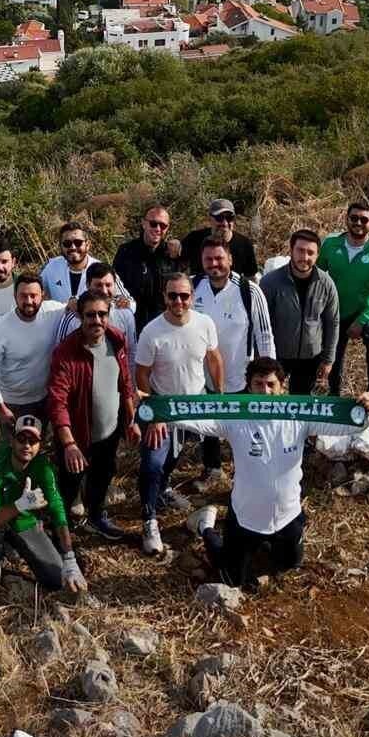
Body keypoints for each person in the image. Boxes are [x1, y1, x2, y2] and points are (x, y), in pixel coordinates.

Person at [178, 356, 369, 587]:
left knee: (288, 565)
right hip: (245, 519)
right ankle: (205, 526)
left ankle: (269, 544)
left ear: (282, 387)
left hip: (286, 517)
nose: (265, 391)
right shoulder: (235, 418)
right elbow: (193, 416)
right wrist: (155, 409)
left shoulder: (299, 417)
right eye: (258, 384)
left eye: (271, 384)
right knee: (231, 579)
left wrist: (367, 411)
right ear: (248, 387)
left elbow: (346, 424)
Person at [135, 276, 224, 556]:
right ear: (165, 297)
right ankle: (149, 519)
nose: (178, 302)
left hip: (192, 406)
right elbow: (142, 375)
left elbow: (214, 358)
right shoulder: (152, 332)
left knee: (174, 455)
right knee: (152, 463)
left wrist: (218, 396)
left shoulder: (204, 324)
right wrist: (154, 414)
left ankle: (163, 490)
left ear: (192, 297)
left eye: (184, 296)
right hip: (162, 406)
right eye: (173, 296)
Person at [48, 289, 140, 540]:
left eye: (102, 314)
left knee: (102, 476)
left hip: (109, 432)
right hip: (77, 436)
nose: (97, 320)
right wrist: (68, 444)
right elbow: (58, 402)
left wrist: (131, 421)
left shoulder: (117, 340)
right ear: (80, 316)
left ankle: (96, 517)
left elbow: (125, 382)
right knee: (69, 483)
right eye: (90, 315)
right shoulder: (66, 353)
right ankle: (62, 529)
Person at [193, 237, 275, 482]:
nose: (214, 264)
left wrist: (270, 377)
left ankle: (245, 473)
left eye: (219, 258)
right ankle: (212, 469)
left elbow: (264, 334)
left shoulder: (249, 291)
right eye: (208, 259)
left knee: (243, 429)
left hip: (240, 376)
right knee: (208, 426)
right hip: (202, 376)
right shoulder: (193, 287)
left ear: (230, 259)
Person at [0, 415, 86, 596]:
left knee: (55, 579)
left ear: (40, 446)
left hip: (24, 522)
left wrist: (69, 557)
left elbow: (57, 508)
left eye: (33, 440)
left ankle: (17, 546)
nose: (27, 445)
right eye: (21, 439)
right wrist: (20, 504)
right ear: (12, 441)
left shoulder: (44, 467)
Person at [321, 202, 369, 400]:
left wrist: (361, 321)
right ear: (347, 219)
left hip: (363, 312)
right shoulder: (330, 244)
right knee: (333, 349)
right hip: (335, 310)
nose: (358, 223)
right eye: (354, 218)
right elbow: (316, 276)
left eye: (364, 219)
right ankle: (334, 391)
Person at [0, 272, 65, 431]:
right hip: (13, 404)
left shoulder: (53, 312)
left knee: (36, 447)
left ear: (43, 295)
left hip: (44, 399)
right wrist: (0, 407)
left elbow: (75, 306)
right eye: (23, 296)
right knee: (12, 449)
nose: (28, 301)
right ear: (14, 296)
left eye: (33, 296)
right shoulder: (0, 329)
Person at [260, 230, 340, 394]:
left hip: (310, 358)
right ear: (291, 250)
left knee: (301, 403)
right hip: (278, 354)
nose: (304, 257)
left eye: (310, 253)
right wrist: (262, 357)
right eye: (300, 250)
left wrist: (328, 360)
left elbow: (333, 323)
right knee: (272, 400)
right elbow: (260, 324)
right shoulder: (271, 282)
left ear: (317, 255)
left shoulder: (326, 284)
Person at [53, 262, 138, 373]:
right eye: (98, 285)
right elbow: (60, 357)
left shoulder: (125, 313)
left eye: (108, 285)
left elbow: (131, 353)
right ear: (88, 285)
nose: (104, 290)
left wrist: (131, 386)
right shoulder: (74, 316)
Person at [113, 204, 183, 328]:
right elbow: (115, 286)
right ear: (143, 223)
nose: (158, 229)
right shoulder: (126, 252)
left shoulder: (172, 254)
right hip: (132, 324)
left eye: (163, 225)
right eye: (153, 224)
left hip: (163, 326)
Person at [180, 199, 257, 281]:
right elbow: (177, 261)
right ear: (210, 218)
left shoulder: (244, 244)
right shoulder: (194, 239)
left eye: (229, 218)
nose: (225, 223)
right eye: (219, 218)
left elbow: (250, 277)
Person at [40, 223, 96, 304]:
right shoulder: (52, 267)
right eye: (67, 243)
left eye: (78, 242)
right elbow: (34, 290)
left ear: (88, 245)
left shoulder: (100, 269)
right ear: (60, 246)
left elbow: (117, 298)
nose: (73, 247)